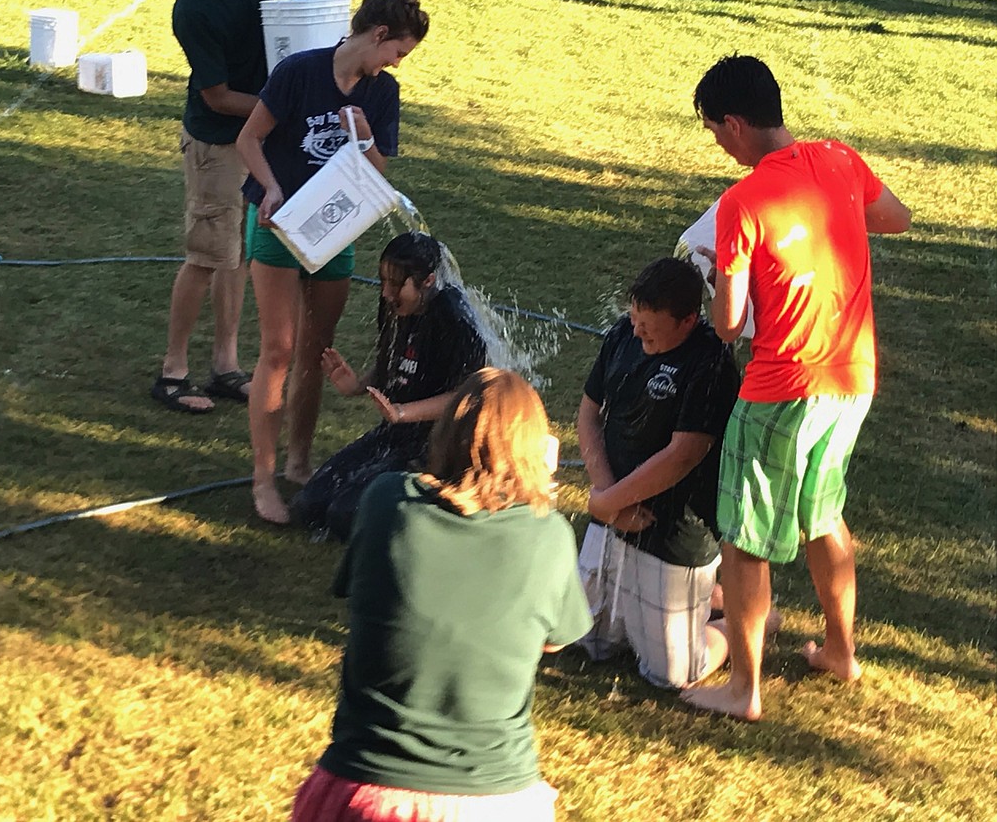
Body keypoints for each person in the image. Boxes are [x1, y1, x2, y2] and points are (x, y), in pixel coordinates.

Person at [682, 55, 911, 721]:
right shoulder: (840, 159)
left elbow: (726, 324)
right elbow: (893, 217)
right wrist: (820, 232)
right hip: (852, 378)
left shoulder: (743, 202)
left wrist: (722, 270)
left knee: (746, 531)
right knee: (822, 511)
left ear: (735, 122)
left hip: (782, 384)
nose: (719, 146)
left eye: (716, 132)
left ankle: (742, 688)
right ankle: (841, 650)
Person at [290, 368, 592, 822]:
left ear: (446, 432)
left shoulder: (386, 501)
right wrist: (539, 495)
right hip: (495, 796)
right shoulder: (548, 534)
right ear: (535, 449)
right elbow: (555, 639)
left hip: (365, 783)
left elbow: (353, 589)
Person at [236, 0, 430, 523]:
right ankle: (262, 479)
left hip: (333, 229)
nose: (398, 63)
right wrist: (270, 188)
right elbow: (248, 141)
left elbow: (378, 173)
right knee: (277, 350)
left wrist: (366, 137)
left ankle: (299, 463)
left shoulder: (380, 93)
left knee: (315, 352)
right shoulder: (299, 71)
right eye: (399, 52)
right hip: (278, 222)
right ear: (378, 34)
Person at [151, 0, 319, 414]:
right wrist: (282, 108)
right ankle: (172, 373)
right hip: (218, 142)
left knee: (238, 254)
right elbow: (218, 97)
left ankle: (225, 367)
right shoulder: (194, 7)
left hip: (254, 136)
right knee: (206, 256)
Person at [576, 258, 741, 689]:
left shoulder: (710, 363)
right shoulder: (622, 334)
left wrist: (609, 504)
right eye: (634, 317)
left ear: (688, 320)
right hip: (614, 508)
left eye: (649, 324)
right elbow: (589, 413)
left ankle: (746, 621)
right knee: (588, 641)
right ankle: (711, 600)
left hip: (673, 528)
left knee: (670, 673)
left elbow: (683, 454)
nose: (637, 331)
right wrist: (609, 499)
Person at [290, 232, 487, 542]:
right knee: (310, 504)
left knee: (345, 516)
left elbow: (469, 396)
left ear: (428, 280)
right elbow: (391, 365)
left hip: (437, 443)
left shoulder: (455, 320)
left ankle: (436, 503)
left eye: (396, 285)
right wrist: (356, 385)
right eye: (383, 282)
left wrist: (402, 411)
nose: (386, 294)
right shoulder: (396, 308)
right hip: (396, 432)